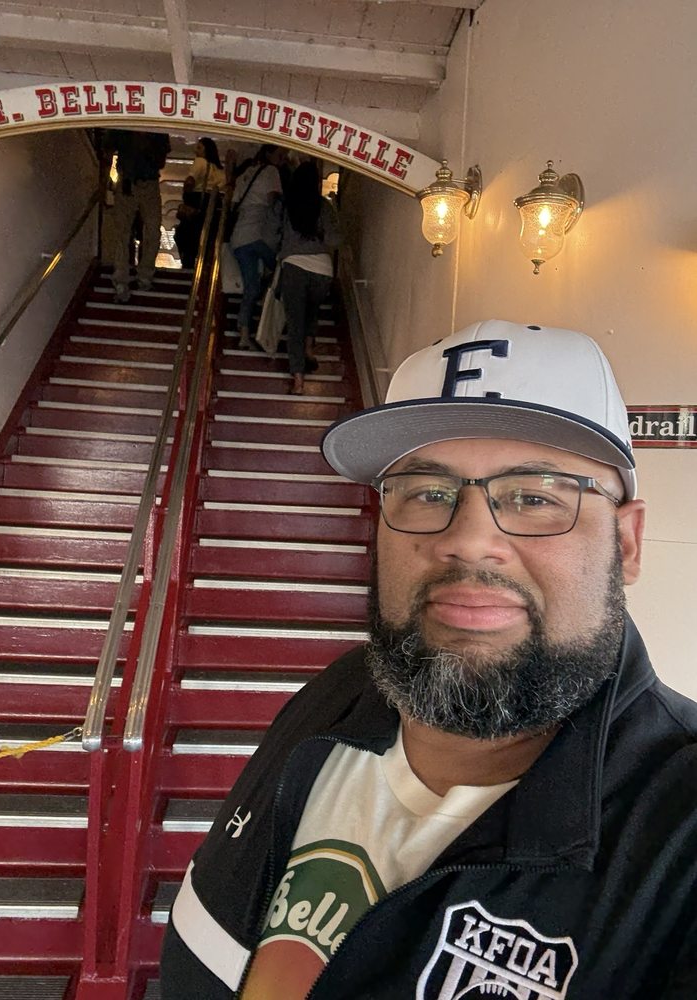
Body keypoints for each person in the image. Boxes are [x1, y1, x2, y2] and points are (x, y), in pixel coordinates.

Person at [160, 320, 697, 999]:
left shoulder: (678, 830)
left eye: (535, 497)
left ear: (627, 543)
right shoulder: (338, 696)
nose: (468, 540)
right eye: (426, 492)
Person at [278, 161, 341, 394]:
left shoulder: (286, 205)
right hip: (322, 269)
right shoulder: (324, 206)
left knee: (295, 322)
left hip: (294, 266)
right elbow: (335, 239)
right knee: (311, 310)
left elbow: (274, 234)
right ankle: (309, 348)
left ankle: (298, 380)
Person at [101, 129, 170, 303]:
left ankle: (138, 276)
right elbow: (108, 148)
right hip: (130, 181)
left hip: (143, 181)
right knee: (124, 232)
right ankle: (129, 277)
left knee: (150, 230)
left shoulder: (153, 131)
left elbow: (161, 160)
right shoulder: (127, 128)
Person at [229, 144, 285, 350]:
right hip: (260, 235)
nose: (282, 159)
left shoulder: (245, 174)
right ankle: (266, 304)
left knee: (250, 287)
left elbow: (233, 203)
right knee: (281, 269)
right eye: (280, 154)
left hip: (239, 238)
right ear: (269, 154)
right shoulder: (271, 171)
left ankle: (244, 335)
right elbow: (273, 201)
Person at [174, 137, 226, 269]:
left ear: (207, 150)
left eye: (199, 147)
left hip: (197, 200)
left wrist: (186, 194)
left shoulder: (200, 162)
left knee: (184, 235)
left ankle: (188, 264)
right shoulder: (219, 170)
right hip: (213, 204)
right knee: (204, 236)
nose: (195, 150)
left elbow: (191, 180)